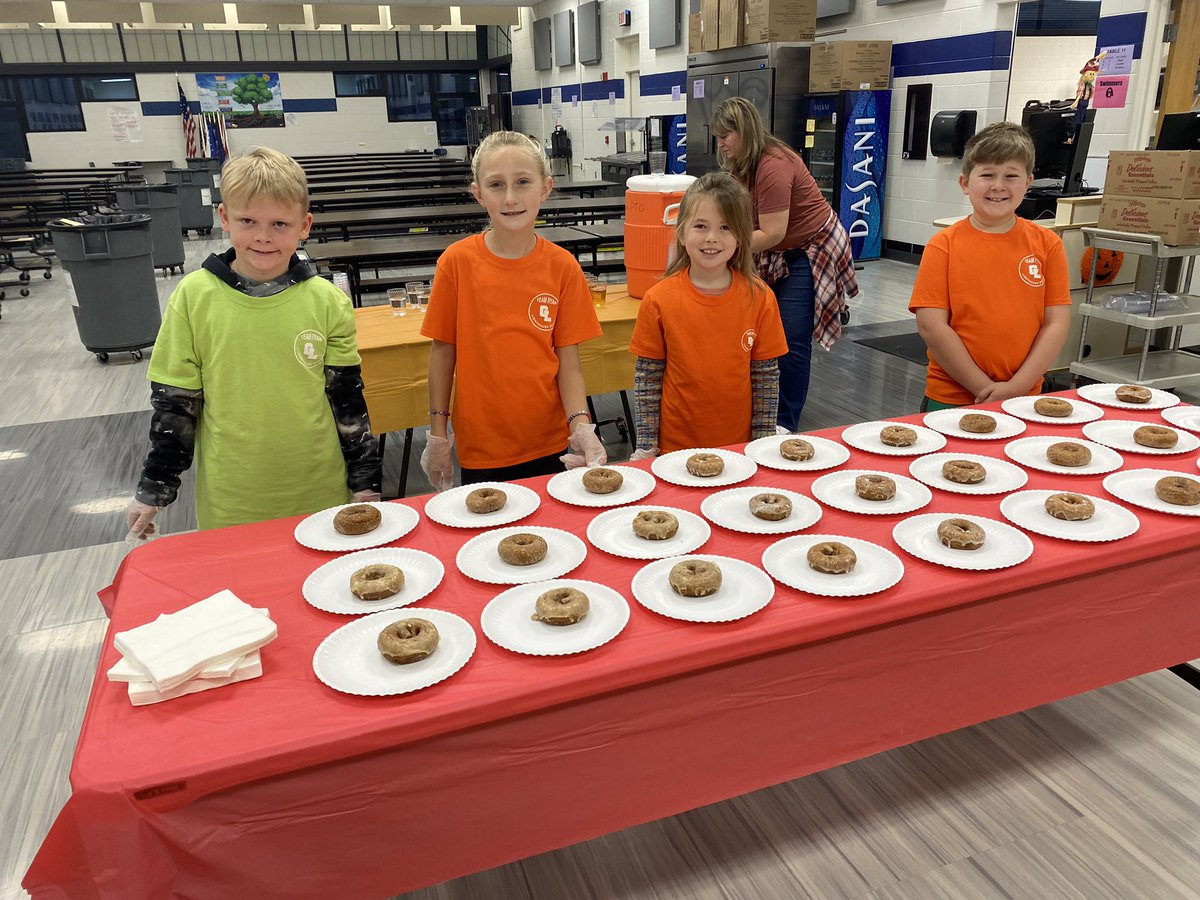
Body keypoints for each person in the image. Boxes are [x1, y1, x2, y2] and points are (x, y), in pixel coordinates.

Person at [126, 147, 380, 536]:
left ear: (304, 225)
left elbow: (347, 402)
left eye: (280, 224)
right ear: (224, 217)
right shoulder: (193, 298)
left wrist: (365, 481)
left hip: (320, 492)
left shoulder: (327, 301)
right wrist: (154, 490)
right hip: (233, 500)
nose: (263, 237)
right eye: (248, 220)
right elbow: (175, 407)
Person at [419, 131, 605, 489]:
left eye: (522, 182)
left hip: (549, 440)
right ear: (478, 193)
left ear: (545, 187)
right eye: (496, 185)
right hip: (483, 446)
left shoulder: (562, 267)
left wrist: (581, 425)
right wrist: (438, 433)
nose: (510, 198)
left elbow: (568, 362)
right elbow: (443, 353)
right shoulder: (456, 264)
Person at [710, 97, 859, 434]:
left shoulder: (773, 165)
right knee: (759, 330)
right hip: (775, 247)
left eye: (725, 136)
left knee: (790, 338)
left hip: (810, 247)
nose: (720, 143)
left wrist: (722, 246)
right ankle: (757, 406)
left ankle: (783, 423)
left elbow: (774, 233)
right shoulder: (741, 164)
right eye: (718, 136)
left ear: (744, 131)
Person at [909, 122, 1070, 410]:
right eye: (987, 175)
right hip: (952, 397)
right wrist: (983, 388)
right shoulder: (943, 246)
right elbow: (932, 326)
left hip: (1024, 397)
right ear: (965, 183)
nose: (998, 186)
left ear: (1028, 183)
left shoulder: (1048, 244)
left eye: (1011, 176)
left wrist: (1017, 387)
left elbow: (1055, 323)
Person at [629, 172, 788, 457]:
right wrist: (646, 445)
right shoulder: (659, 300)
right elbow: (648, 380)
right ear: (681, 230)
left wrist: (761, 444)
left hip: (738, 450)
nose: (712, 238)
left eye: (726, 227)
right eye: (701, 226)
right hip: (673, 451)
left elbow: (765, 380)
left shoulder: (761, 298)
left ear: (741, 235)